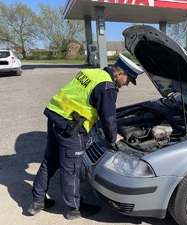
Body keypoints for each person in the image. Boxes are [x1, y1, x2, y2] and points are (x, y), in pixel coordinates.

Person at [28, 54, 144, 220]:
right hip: (71, 128)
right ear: (119, 74)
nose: (127, 84)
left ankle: (37, 201)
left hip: (55, 117)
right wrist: (113, 138)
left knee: (50, 161)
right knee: (72, 170)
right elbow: (108, 118)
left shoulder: (92, 73)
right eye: (128, 79)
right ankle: (75, 209)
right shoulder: (107, 86)